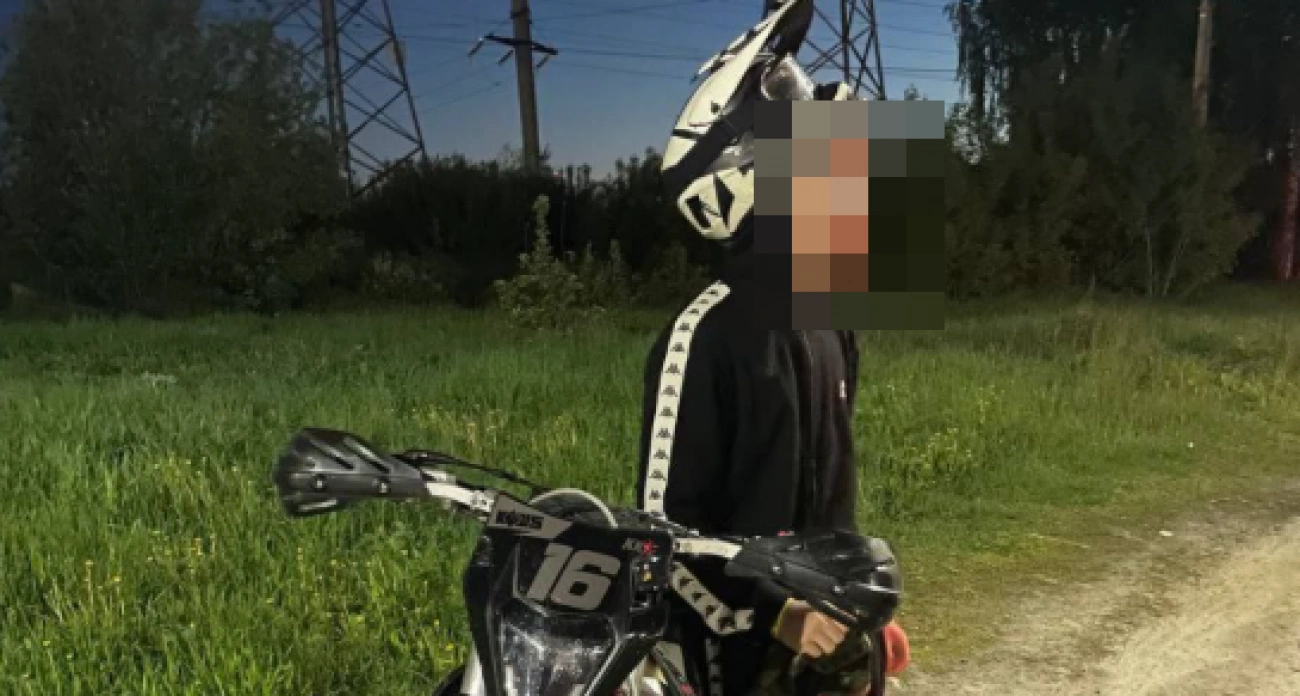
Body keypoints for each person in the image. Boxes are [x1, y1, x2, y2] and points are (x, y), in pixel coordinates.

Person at [634, 2, 909, 696]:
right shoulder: (703, 335)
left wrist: (860, 609)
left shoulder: (834, 318)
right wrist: (777, 616)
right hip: (735, 659)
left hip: (825, 650)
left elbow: (833, 501)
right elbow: (661, 542)